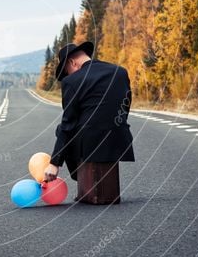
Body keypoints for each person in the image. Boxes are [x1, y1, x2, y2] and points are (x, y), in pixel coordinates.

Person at [43, 42, 135, 199]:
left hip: (90, 144)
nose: (68, 75)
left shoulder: (72, 82)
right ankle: (94, 180)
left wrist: (54, 163)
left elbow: (68, 124)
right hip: (119, 138)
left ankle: (84, 179)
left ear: (72, 62)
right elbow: (125, 105)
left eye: (67, 71)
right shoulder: (120, 71)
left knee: (61, 129)